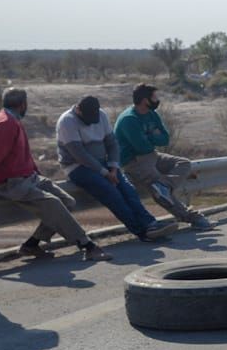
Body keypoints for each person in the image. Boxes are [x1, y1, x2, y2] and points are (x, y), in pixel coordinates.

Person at [0, 88, 112, 261]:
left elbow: (20, 155)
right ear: (23, 104)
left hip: (29, 178)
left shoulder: (12, 120)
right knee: (54, 203)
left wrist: (36, 173)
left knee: (68, 202)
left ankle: (31, 245)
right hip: (14, 183)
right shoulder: (5, 124)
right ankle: (87, 245)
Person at [56, 96, 174, 241]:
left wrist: (113, 166)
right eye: (88, 118)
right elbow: (80, 155)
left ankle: (151, 224)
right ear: (78, 110)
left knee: (128, 190)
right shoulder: (67, 121)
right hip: (78, 167)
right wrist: (105, 173)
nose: (91, 120)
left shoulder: (101, 115)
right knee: (112, 193)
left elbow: (112, 143)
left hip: (104, 164)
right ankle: (141, 231)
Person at [115, 84, 212, 229]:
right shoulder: (129, 119)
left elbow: (165, 139)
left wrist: (148, 138)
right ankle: (191, 218)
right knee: (158, 185)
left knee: (183, 164)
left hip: (152, 155)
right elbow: (141, 147)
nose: (157, 100)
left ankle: (164, 186)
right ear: (144, 100)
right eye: (154, 97)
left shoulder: (151, 114)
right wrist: (153, 136)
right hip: (134, 161)